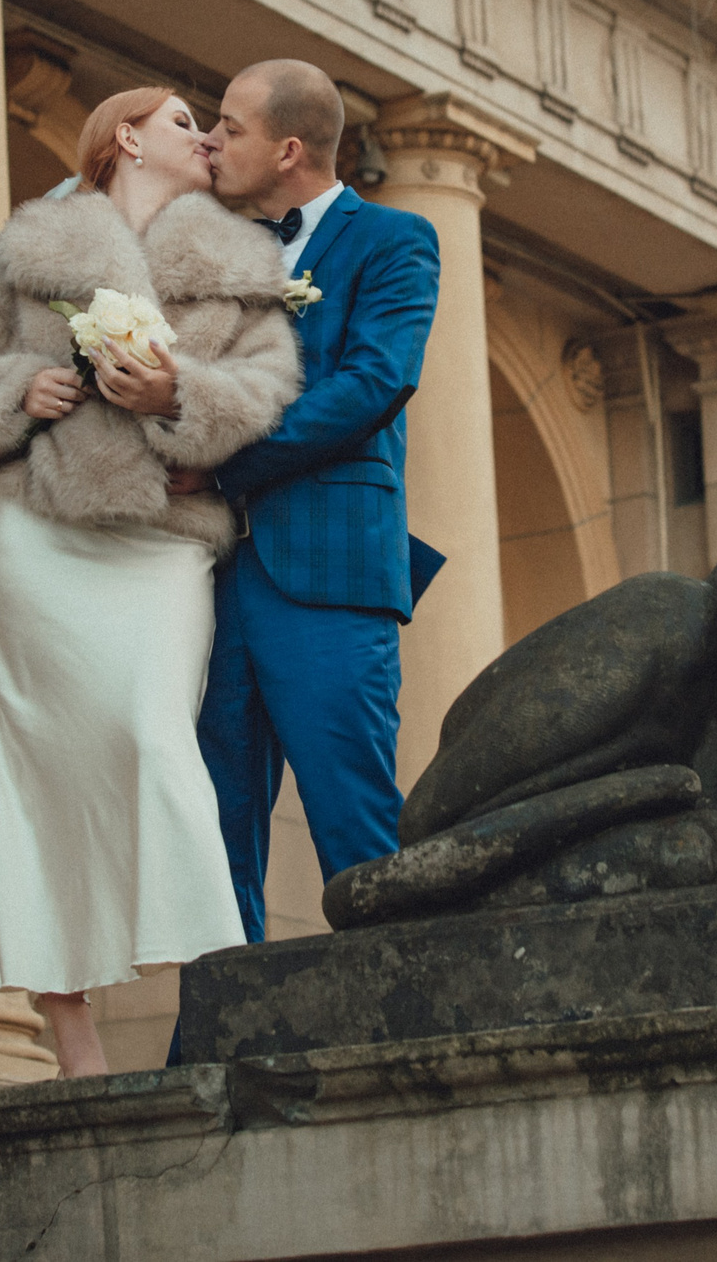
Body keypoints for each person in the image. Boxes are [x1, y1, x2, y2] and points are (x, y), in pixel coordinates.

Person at [0, 87, 302, 1078]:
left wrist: (180, 397)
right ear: (125, 136)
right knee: (36, 772)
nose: (208, 139)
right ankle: (73, 1039)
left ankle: (216, 992)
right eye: (187, 122)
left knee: (153, 741)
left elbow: (269, 392)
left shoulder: (240, 264)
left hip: (161, 542)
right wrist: (18, 394)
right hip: (35, 545)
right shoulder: (29, 249)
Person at [194, 59, 444, 943]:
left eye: (229, 126)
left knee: (356, 822)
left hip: (331, 576)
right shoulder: (213, 255)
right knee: (213, 833)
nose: (212, 141)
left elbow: (377, 382)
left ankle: (405, 1034)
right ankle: (212, 1046)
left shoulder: (396, 240)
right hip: (211, 582)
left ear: (288, 148)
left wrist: (224, 460)